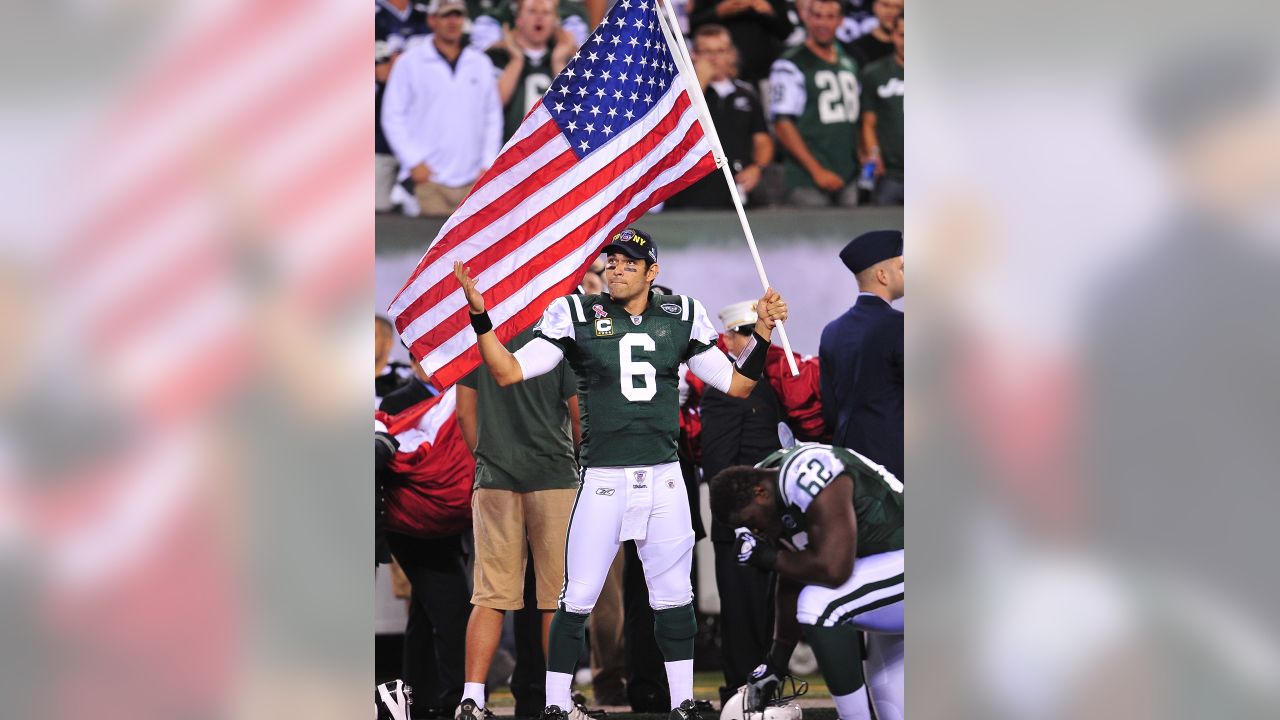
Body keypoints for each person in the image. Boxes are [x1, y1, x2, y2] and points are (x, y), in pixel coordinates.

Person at [452, 227, 789, 720]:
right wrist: (481, 317)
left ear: (653, 272)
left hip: (665, 475)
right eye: (611, 260)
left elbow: (737, 384)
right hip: (605, 475)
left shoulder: (682, 315)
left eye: (630, 262)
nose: (616, 268)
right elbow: (506, 371)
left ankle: (682, 701)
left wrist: (760, 333)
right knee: (577, 595)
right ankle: (553, 703)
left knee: (675, 595)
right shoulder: (577, 313)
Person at [708, 443, 903, 720]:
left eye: (752, 522)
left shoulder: (806, 473)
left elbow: (834, 570)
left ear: (760, 493)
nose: (755, 531)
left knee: (819, 603)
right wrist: (776, 663)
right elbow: (795, 572)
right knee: (893, 709)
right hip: (894, 575)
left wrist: (770, 558)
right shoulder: (773, 491)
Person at [453, 326, 581, 720]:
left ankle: (472, 699)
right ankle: (559, 700)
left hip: (494, 481)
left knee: (489, 595)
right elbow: (580, 419)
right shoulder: (558, 340)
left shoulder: (477, 343)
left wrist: (490, 459)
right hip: (555, 478)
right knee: (555, 600)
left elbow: (464, 414)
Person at [381, 0, 503, 217]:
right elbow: (392, 116)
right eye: (446, 16)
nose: (452, 22)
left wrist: (487, 164)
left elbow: (492, 116)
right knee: (427, 247)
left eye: (457, 15)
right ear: (432, 20)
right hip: (430, 180)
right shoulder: (410, 63)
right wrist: (413, 162)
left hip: (472, 181)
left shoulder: (480, 63)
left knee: (469, 248)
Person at [819, 231, 903, 482]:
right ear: (882, 275)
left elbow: (831, 414)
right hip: (897, 465)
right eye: (902, 267)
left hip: (848, 464)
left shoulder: (832, 331)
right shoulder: (900, 326)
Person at [666, 25, 774, 210]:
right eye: (706, 51)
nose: (714, 58)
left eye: (720, 51)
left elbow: (762, 138)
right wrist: (700, 81)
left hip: (735, 188)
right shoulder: (678, 90)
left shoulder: (746, 93)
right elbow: (676, 124)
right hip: (692, 189)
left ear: (731, 54)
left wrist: (758, 167)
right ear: (694, 54)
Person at [769, 0, 862, 208]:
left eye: (830, 17)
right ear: (806, 17)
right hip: (807, 179)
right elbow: (782, 125)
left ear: (840, 21)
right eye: (817, 16)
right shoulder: (790, 64)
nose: (823, 23)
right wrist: (816, 170)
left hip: (848, 174)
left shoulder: (850, 62)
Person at [485, 0, 578, 142]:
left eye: (546, 12)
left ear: (555, 21)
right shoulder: (496, 57)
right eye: (532, 11)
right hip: (507, 153)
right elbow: (492, 104)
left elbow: (574, 109)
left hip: (551, 153)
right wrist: (516, 61)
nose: (539, 17)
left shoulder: (568, 60)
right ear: (519, 19)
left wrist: (558, 62)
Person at [688, 0, 793, 86]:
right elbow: (688, 28)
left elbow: (785, 32)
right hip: (719, 79)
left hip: (765, 75)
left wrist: (769, 12)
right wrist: (718, 12)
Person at [858, 14, 904, 206]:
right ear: (892, 35)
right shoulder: (874, 74)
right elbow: (868, 123)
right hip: (890, 175)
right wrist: (874, 155)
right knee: (884, 233)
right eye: (903, 35)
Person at [840, 0, 902, 68]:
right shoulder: (856, 49)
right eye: (885, 5)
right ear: (874, 6)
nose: (891, 12)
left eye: (897, 7)